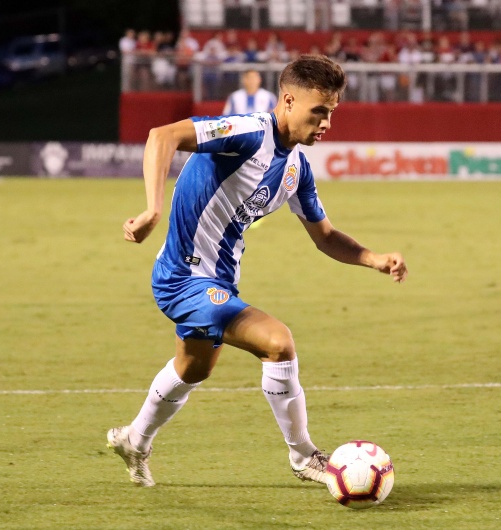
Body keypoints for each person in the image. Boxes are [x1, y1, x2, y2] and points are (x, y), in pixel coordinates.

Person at [107, 55, 408, 487]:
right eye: (318, 111)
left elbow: (325, 236)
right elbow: (163, 136)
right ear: (288, 100)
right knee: (278, 343)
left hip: (219, 281)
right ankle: (304, 456)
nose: (326, 123)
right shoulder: (249, 132)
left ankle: (135, 439)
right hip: (183, 278)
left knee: (192, 369)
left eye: (332, 113)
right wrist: (153, 209)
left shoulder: (297, 168)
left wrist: (373, 258)